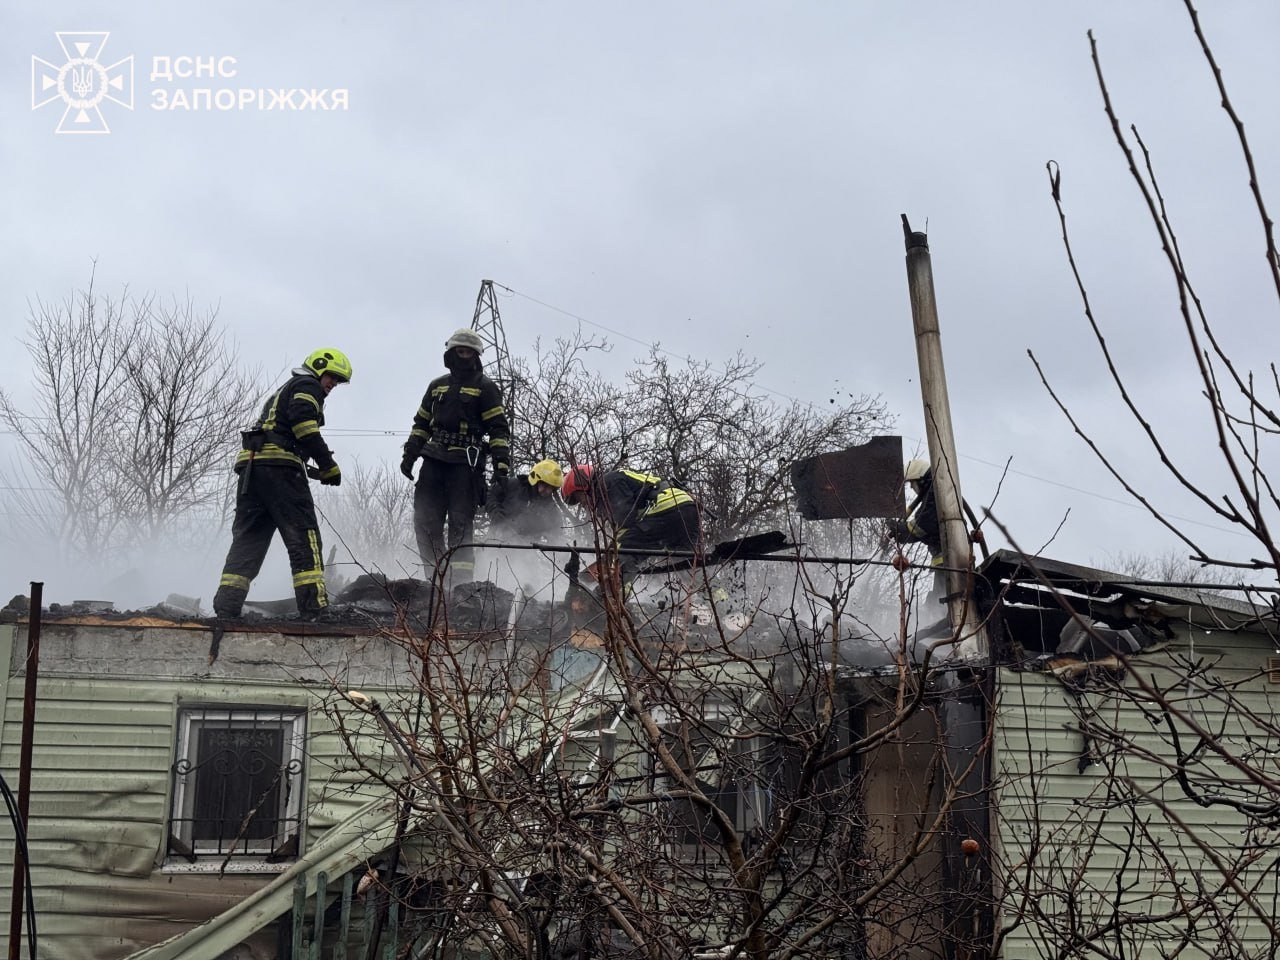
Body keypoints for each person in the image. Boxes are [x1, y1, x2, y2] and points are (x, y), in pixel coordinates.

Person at [213, 348, 352, 619]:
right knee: (304, 537)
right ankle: (314, 609)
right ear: (318, 368)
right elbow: (305, 427)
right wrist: (328, 465)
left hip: (253, 471)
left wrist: (308, 461)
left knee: (249, 540)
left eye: (337, 381)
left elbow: (286, 432)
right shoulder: (307, 385)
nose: (333, 384)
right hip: (281, 471)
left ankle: (227, 607)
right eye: (332, 377)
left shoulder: (284, 391)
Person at [400, 328, 510, 581]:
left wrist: (501, 465)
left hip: (465, 466)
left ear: (476, 356)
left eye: (468, 353)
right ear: (450, 354)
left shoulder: (485, 387)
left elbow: (498, 429)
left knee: (460, 525)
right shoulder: (437, 386)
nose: (463, 356)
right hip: (433, 462)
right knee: (425, 521)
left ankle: (461, 585)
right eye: (459, 351)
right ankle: (434, 579)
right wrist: (410, 454)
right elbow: (421, 423)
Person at [559, 465, 701, 589]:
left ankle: (612, 597)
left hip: (666, 508)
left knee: (627, 553)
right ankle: (708, 597)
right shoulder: (616, 480)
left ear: (584, 485)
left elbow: (626, 520)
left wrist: (613, 552)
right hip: (688, 510)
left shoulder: (607, 482)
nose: (583, 503)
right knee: (685, 563)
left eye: (579, 497)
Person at [884, 458, 944, 604]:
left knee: (940, 604)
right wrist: (902, 533)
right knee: (937, 603)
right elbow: (918, 532)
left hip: (950, 561)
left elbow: (922, 525)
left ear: (921, 480)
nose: (911, 487)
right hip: (945, 562)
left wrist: (898, 528)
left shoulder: (934, 495)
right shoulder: (932, 494)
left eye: (912, 482)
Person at [488, 458, 565, 541]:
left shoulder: (552, 511)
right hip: (494, 541)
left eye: (551, 488)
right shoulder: (513, 485)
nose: (548, 491)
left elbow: (557, 537)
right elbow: (490, 494)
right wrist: (495, 511)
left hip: (525, 547)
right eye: (545, 486)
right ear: (536, 479)